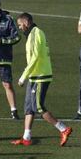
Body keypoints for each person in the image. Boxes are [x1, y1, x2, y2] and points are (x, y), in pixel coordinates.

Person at [12, 13, 72, 146]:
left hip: (40, 76)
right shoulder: (33, 33)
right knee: (28, 107)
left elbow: (35, 57)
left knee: (38, 107)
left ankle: (63, 128)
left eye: (20, 25)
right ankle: (26, 137)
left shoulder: (35, 33)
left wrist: (23, 77)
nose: (20, 28)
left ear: (26, 23)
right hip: (35, 75)